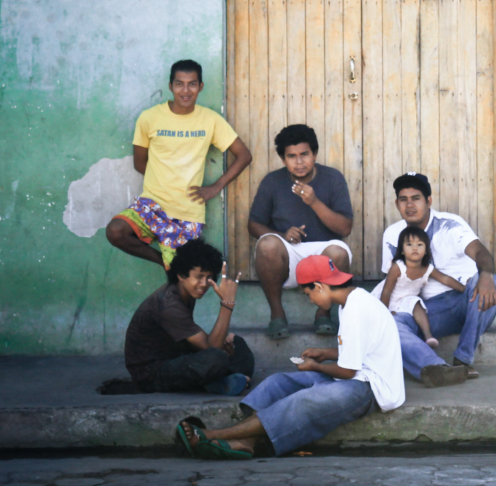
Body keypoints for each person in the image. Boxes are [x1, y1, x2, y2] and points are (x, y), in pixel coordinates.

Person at [175, 254, 404, 459]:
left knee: (303, 400)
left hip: (372, 389)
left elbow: (347, 370)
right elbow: (361, 350)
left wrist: (315, 366)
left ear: (319, 286)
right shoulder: (350, 302)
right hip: (358, 377)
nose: (311, 301)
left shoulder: (356, 308)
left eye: (308, 295)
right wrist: (325, 353)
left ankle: (211, 434)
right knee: (279, 382)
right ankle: (246, 441)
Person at [106, 60, 253, 270]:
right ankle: (165, 264)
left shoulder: (210, 120)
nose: (185, 91)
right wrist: (164, 181)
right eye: (179, 84)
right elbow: (140, 163)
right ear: (170, 86)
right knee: (115, 231)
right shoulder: (149, 118)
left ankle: (174, 268)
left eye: (192, 84)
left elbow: (244, 155)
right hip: (152, 205)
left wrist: (215, 187)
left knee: (186, 280)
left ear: (200, 87)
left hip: (188, 211)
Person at [382, 173, 496, 386]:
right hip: (429, 311)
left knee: (489, 282)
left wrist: (485, 275)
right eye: (403, 199)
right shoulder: (393, 235)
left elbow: (481, 252)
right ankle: (437, 369)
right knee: (391, 324)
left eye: (416, 198)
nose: (409, 205)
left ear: (428, 201)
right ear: (396, 204)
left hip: (466, 301)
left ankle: (462, 360)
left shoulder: (450, 224)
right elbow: (391, 283)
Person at [248, 124, 354, 339]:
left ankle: (323, 314)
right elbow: (253, 225)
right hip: (289, 253)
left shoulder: (332, 178)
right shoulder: (272, 181)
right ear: (283, 159)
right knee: (267, 244)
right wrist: (282, 236)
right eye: (291, 156)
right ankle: (277, 315)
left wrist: (314, 202)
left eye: (305, 154)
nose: (299, 162)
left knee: (339, 252)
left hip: (322, 253)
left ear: (315, 154)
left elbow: (345, 228)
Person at [123, 239, 253, 394]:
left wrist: (226, 348)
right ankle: (224, 380)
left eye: (209, 277)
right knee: (216, 358)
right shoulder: (169, 304)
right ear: (181, 274)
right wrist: (227, 303)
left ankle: (223, 380)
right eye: (199, 276)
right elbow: (211, 348)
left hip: (176, 356)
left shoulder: (185, 293)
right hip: (151, 375)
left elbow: (200, 343)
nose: (204, 284)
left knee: (237, 344)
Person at [371, 225, 466, 349]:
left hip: (407, 301)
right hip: (386, 300)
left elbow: (445, 279)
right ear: (402, 250)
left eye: (420, 245)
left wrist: (464, 289)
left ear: (426, 250)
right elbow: (387, 291)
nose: (414, 248)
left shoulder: (427, 269)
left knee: (417, 304)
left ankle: (428, 337)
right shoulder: (398, 268)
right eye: (409, 245)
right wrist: (386, 312)